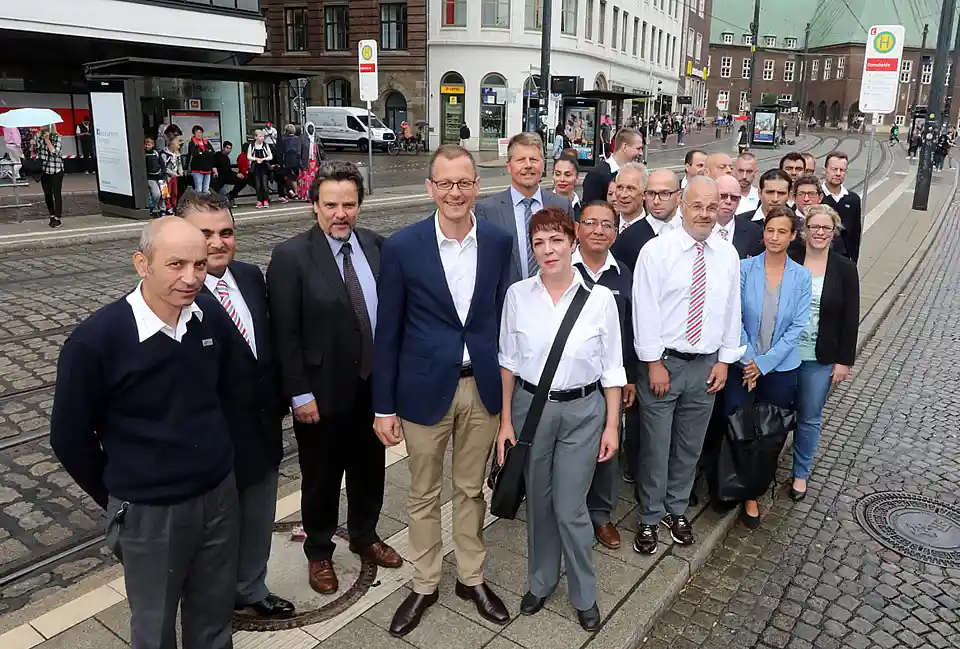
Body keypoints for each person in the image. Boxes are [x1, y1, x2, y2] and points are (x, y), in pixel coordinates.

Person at [50, 216, 240, 649]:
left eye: (198, 264)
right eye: (175, 265)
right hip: (151, 512)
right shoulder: (97, 340)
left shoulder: (208, 318)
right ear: (142, 263)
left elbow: (226, 394)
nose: (190, 278)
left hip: (218, 497)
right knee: (153, 630)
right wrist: (124, 496)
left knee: (214, 619)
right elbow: (69, 438)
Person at [372, 145, 513, 636]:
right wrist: (383, 406)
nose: (455, 192)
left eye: (464, 182)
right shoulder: (402, 246)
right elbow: (387, 331)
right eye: (445, 183)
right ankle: (425, 582)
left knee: (472, 490)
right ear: (430, 188)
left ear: (477, 186)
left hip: (482, 390)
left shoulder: (497, 242)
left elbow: (499, 318)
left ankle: (471, 578)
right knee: (423, 493)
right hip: (422, 391)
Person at [267, 161, 402, 596]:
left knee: (370, 471)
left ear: (360, 205)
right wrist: (299, 394)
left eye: (348, 204)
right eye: (330, 205)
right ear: (314, 206)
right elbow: (283, 333)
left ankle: (365, 534)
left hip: (371, 390)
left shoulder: (378, 247)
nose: (340, 213)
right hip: (320, 396)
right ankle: (320, 551)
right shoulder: (291, 257)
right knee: (321, 478)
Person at [497, 206, 624, 631]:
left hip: (584, 412)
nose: (548, 250)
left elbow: (613, 369)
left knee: (570, 506)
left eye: (556, 240)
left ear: (573, 243)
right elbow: (508, 363)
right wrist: (505, 423)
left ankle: (584, 592)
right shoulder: (518, 296)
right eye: (539, 242)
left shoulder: (600, 299)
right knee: (539, 503)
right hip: (532, 410)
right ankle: (541, 580)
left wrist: (611, 425)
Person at [176, 191, 294, 620]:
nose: (217, 242)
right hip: (212, 447)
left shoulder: (248, 276)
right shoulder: (176, 292)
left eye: (226, 232)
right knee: (214, 534)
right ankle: (211, 604)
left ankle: (251, 587)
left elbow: (269, 348)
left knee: (259, 520)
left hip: (261, 433)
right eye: (204, 233)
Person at [631, 176, 744, 554]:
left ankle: (675, 509)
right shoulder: (656, 251)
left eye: (712, 207)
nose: (705, 214)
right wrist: (653, 364)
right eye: (698, 205)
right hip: (665, 365)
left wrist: (725, 361)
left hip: (706, 367)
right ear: (682, 205)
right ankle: (648, 516)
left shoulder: (727, 255)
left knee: (688, 446)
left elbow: (731, 312)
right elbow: (644, 310)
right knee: (655, 446)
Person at [725, 206, 812, 528]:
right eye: (770, 230)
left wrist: (763, 364)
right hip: (741, 366)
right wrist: (749, 360)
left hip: (780, 370)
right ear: (763, 233)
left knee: (769, 434)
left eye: (782, 232)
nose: (774, 237)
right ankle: (732, 483)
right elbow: (733, 316)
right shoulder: (744, 268)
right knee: (736, 424)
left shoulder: (801, 276)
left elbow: (797, 327)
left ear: (792, 236)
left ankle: (753, 494)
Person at [572, 201, 639, 551]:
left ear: (615, 232)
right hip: (567, 380)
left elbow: (628, 330)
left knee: (606, 448)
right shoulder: (560, 270)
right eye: (591, 223)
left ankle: (600, 514)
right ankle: (568, 511)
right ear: (577, 228)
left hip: (607, 382)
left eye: (607, 225)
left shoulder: (624, 274)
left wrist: (628, 376)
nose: (599, 230)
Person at [788, 204, 859, 501]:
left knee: (809, 417)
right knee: (776, 413)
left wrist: (844, 361)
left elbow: (850, 316)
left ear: (834, 233)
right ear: (805, 231)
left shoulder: (844, 268)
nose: (819, 233)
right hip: (785, 354)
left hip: (819, 358)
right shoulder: (791, 258)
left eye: (825, 229)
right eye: (814, 227)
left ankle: (800, 473)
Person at [475, 132, 572, 284]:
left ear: (543, 163)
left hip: (554, 299)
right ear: (509, 166)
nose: (528, 165)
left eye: (533, 159)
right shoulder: (488, 210)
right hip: (507, 303)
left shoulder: (562, 205)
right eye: (521, 160)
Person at [611, 168, 681, 271]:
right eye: (651, 194)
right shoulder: (626, 239)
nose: (656, 201)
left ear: (679, 196)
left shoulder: (692, 232)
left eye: (664, 194)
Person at [581, 128, 644, 204]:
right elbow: (590, 210)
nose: (641, 153)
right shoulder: (596, 175)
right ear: (624, 147)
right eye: (638, 148)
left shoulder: (637, 174)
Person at [821, 151, 862, 263]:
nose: (838, 173)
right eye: (834, 169)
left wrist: (853, 261)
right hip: (819, 256)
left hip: (843, 259)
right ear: (825, 171)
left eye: (842, 170)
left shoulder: (853, 199)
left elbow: (855, 234)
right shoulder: (816, 196)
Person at [714, 174, 763, 258]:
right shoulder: (699, 228)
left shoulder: (754, 232)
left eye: (734, 198)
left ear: (739, 201)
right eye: (723, 196)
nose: (728, 201)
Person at [32, 125, 64, 229]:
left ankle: (58, 218)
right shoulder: (38, 137)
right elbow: (35, 152)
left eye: (44, 125)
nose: (41, 127)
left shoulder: (57, 137)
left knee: (56, 194)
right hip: (44, 170)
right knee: (47, 194)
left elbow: (56, 153)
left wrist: (47, 140)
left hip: (56, 169)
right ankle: (52, 215)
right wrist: (32, 145)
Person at [160, 127, 185, 210]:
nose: (179, 144)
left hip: (174, 177)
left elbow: (179, 164)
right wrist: (173, 173)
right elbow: (164, 167)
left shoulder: (177, 154)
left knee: (174, 192)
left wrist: (180, 171)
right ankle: (166, 207)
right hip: (165, 177)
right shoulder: (164, 154)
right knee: (165, 193)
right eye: (177, 142)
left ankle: (174, 206)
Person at [298, 122, 324, 201]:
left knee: (314, 179)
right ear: (306, 129)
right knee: (306, 179)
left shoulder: (316, 138)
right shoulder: (302, 138)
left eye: (312, 128)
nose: (311, 129)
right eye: (309, 128)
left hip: (315, 162)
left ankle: (314, 195)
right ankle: (306, 196)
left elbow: (320, 149)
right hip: (306, 161)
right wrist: (300, 162)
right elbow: (299, 151)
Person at [552, 153, 582, 221]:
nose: (562, 179)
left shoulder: (584, 209)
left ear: (577, 178)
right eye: (557, 174)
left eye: (567, 175)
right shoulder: (543, 205)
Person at [187, 126, 216, 194]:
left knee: (206, 190)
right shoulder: (192, 143)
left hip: (207, 169)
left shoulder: (206, 142)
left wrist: (203, 153)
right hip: (197, 169)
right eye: (197, 132)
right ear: (194, 133)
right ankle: (197, 204)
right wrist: (206, 153)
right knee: (198, 189)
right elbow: (195, 154)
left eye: (200, 132)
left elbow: (212, 153)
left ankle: (204, 204)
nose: (199, 134)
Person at [277, 124, 302, 203]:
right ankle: (300, 192)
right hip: (297, 160)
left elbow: (280, 151)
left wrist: (281, 162)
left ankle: (295, 193)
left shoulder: (283, 140)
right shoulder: (298, 139)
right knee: (298, 176)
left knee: (290, 177)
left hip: (288, 160)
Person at [249, 129, 273, 209]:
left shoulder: (265, 145)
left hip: (264, 167)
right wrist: (256, 159)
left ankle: (266, 199)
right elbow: (249, 156)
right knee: (258, 184)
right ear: (255, 137)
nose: (262, 138)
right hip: (256, 167)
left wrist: (263, 159)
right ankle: (259, 200)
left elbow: (270, 156)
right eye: (260, 136)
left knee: (264, 184)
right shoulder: (252, 145)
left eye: (263, 136)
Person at [144, 138, 167, 218]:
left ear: (153, 145)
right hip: (151, 177)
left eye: (149, 144)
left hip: (161, 176)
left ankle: (163, 209)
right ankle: (155, 208)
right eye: (146, 144)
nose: (147, 146)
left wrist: (163, 173)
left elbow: (163, 164)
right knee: (156, 194)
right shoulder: (143, 154)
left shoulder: (156, 153)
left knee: (164, 193)